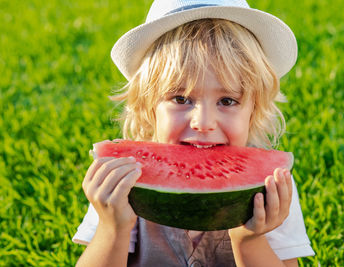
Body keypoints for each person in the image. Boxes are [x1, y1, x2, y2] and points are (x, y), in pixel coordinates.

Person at [72, 0, 315, 266]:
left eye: (227, 101)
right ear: (148, 106)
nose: (203, 122)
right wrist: (112, 228)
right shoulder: (124, 181)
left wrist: (251, 239)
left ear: (253, 111)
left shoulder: (269, 188)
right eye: (180, 99)